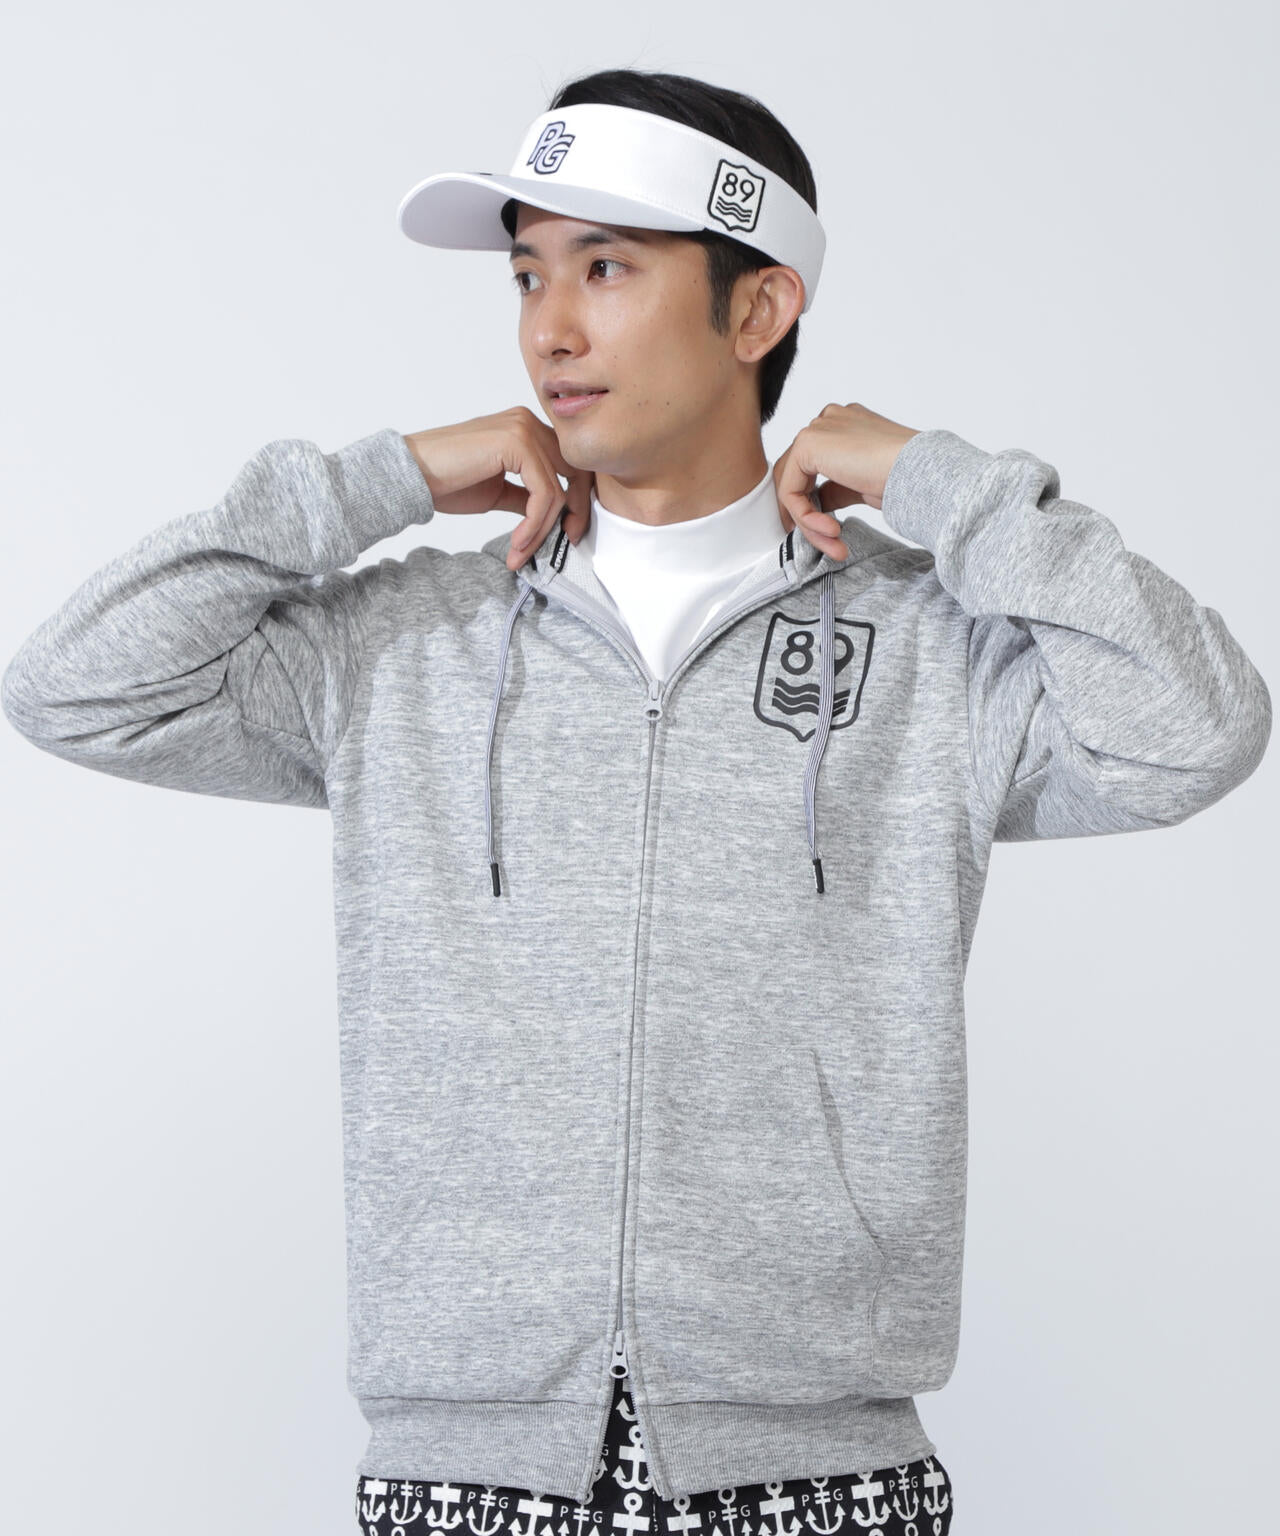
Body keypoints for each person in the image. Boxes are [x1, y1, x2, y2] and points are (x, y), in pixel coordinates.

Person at [2, 66, 1270, 1536]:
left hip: (819, 1473)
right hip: (466, 1474)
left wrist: (945, 487)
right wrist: (375, 482)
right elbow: (74, 684)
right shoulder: (405, 646)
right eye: (528, 274)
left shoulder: (931, 654)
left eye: (605, 267)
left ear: (758, 310)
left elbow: (1198, 729)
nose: (548, 327)